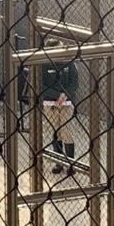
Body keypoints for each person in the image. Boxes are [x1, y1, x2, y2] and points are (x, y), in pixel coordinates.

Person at [41, 39, 80, 175]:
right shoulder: (43, 64)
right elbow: (40, 85)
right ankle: (59, 163)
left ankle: (70, 164)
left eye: (61, 48)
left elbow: (74, 82)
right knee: (55, 132)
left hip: (67, 103)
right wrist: (57, 95)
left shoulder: (69, 62)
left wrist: (64, 95)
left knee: (67, 131)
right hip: (50, 103)